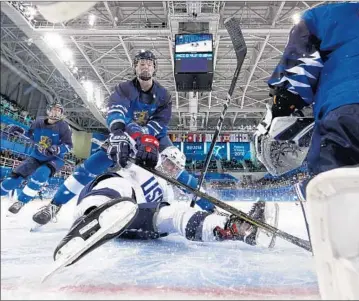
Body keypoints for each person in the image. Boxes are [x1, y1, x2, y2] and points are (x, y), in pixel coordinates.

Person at [32, 50, 215, 226]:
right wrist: (120, 134)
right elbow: (117, 112)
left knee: (174, 168)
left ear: (154, 69)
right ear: (135, 68)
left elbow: (160, 122)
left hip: (154, 138)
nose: (145, 67)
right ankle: (54, 205)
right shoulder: (124, 88)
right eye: (141, 64)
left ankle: (210, 208)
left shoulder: (163, 95)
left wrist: (146, 139)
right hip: (125, 134)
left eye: (149, 64)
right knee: (89, 167)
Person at [254, 3, 359, 299]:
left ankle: (341, 266)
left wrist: (285, 95)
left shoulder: (334, 14)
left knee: (326, 185)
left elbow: (301, 57)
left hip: (349, 108)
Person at [50, 146, 278, 267]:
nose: (171, 168)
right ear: (161, 158)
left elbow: (201, 200)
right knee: (119, 184)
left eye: (176, 167)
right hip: (106, 203)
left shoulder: (168, 190)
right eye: (169, 162)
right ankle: (92, 218)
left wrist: (214, 211)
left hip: (134, 222)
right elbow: (113, 153)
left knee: (175, 213)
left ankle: (240, 229)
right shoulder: (140, 164)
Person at [0, 102, 73, 214]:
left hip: (54, 159)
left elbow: (69, 146)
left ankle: (21, 201)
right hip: (36, 156)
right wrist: (20, 131)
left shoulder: (64, 126)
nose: (56, 112)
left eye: (59, 110)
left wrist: (56, 149)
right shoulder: (38, 121)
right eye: (54, 109)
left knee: (41, 174)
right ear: (48, 110)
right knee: (14, 178)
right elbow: (30, 136)